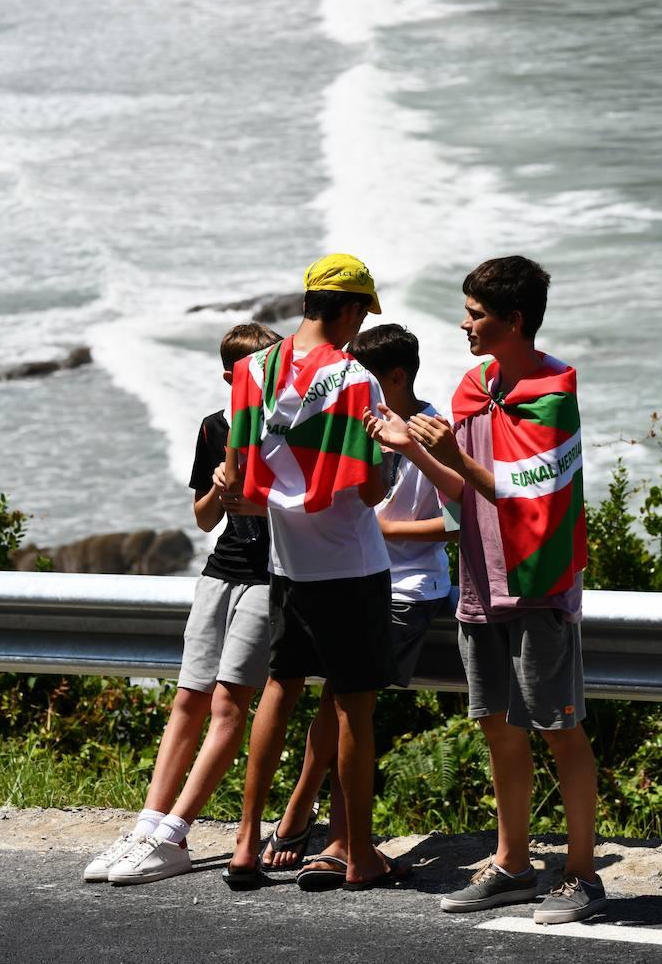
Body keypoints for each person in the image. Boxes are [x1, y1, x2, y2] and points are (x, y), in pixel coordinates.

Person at [365, 256, 604, 925]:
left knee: (560, 731)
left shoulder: (553, 394)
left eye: (475, 314)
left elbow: (527, 492)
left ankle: (583, 878)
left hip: (538, 589)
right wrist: (411, 447)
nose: (464, 324)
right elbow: (463, 495)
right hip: (480, 585)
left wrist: (454, 453)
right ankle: (513, 866)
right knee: (496, 726)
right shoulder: (474, 388)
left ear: (514, 320)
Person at [222, 254, 414, 891]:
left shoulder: (251, 370)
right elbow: (368, 493)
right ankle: (359, 854)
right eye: (362, 312)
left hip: (287, 564)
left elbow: (243, 483)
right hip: (352, 566)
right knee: (355, 709)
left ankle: (247, 844)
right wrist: (388, 451)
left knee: (278, 691)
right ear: (351, 308)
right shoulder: (355, 379)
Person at [261, 322, 458, 889]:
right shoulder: (352, 419)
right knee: (344, 702)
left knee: (347, 705)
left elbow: (460, 519)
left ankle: (324, 831)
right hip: (349, 579)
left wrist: (388, 527)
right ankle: (328, 833)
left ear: (395, 377)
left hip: (404, 589)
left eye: (366, 378)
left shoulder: (430, 428)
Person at [83, 321, 281, 886]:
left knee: (227, 706)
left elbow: (308, 509)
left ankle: (173, 835)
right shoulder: (215, 428)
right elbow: (202, 518)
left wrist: (256, 491)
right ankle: (148, 825)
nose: (272, 376)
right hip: (221, 570)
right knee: (187, 701)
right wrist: (221, 487)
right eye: (260, 369)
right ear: (231, 376)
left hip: (271, 579)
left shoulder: (292, 429)